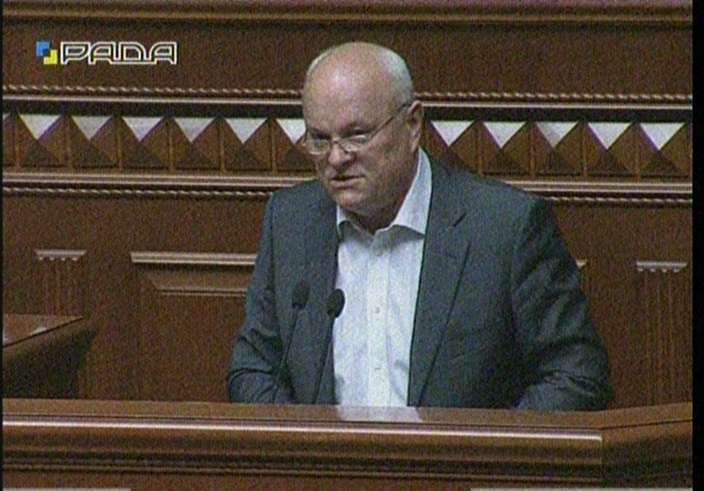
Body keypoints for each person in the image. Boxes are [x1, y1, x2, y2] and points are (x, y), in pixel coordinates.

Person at [228, 42, 611, 410]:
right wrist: (312, 445)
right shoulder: (290, 222)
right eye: (319, 139)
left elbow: (576, 375)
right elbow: (253, 370)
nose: (336, 158)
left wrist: (482, 445)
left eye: (357, 135)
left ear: (412, 124)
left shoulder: (505, 227)